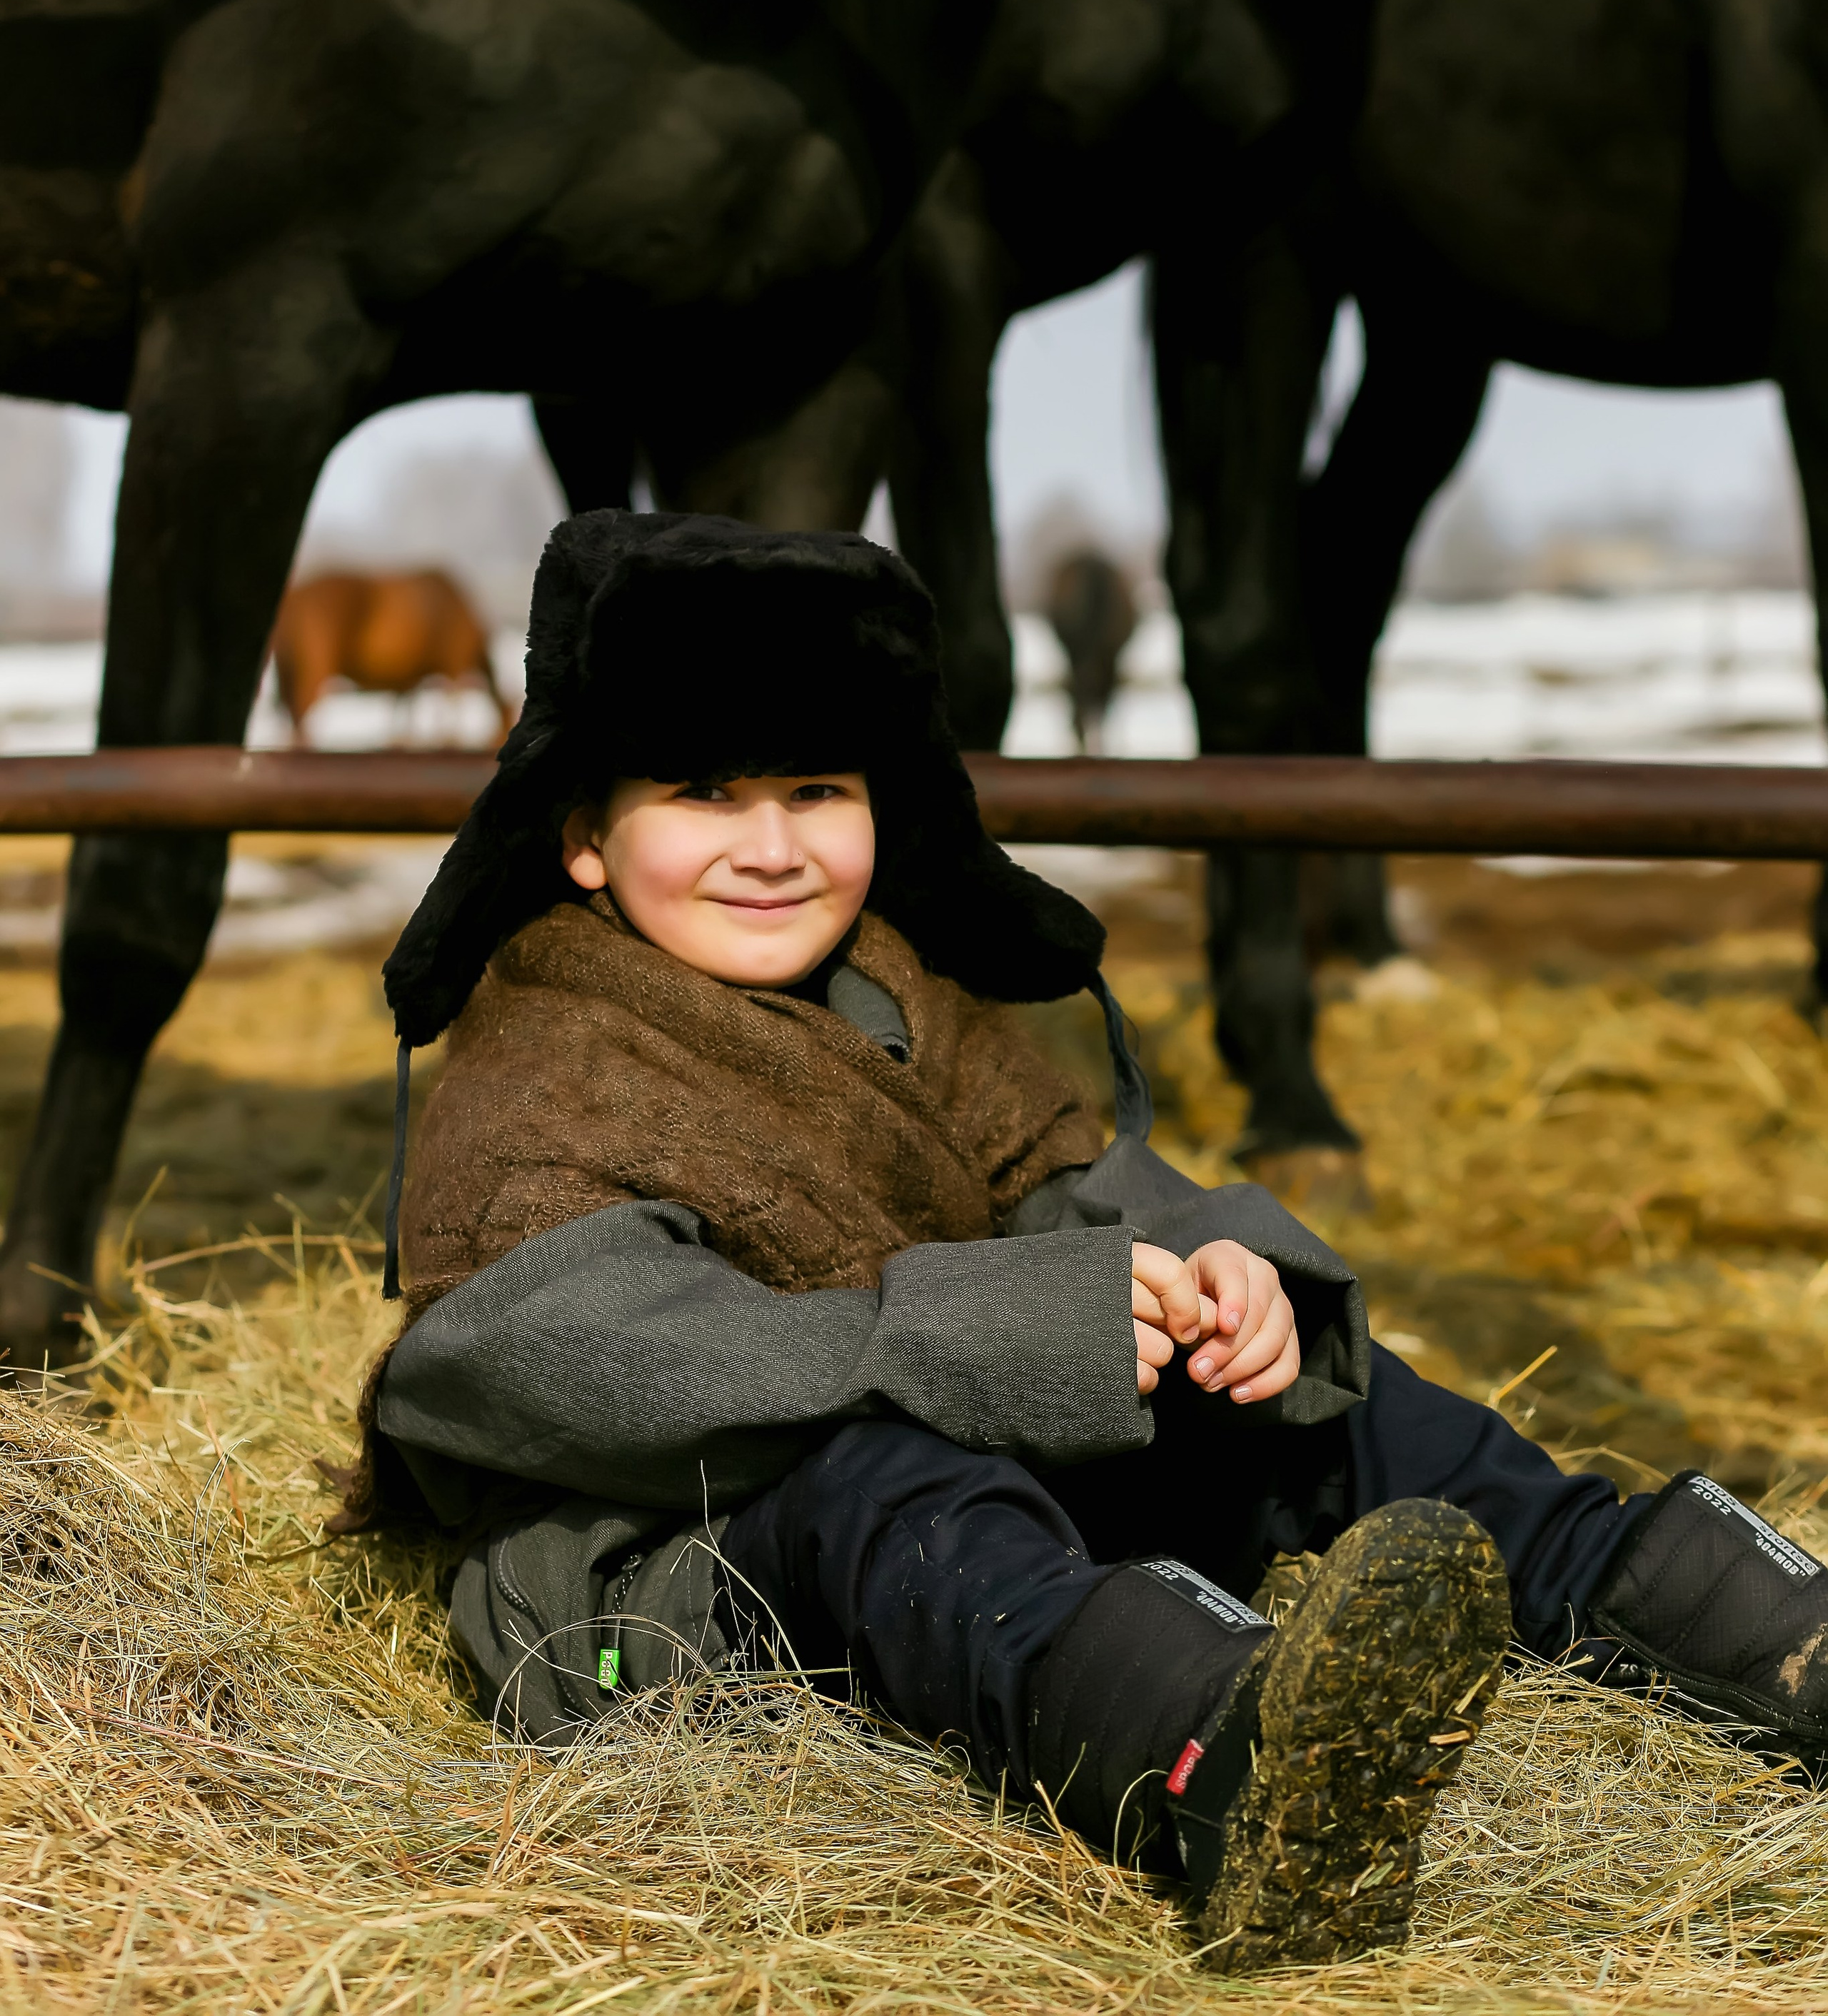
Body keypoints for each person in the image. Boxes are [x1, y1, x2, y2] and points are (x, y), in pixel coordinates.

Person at [347, 510, 1828, 1972]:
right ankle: (1216, 1765)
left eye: (818, 788)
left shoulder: (892, 997)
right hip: (676, 1579)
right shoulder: (541, 1062)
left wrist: (1218, 1279)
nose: (774, 847)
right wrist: (979, 1335)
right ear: (586, 842)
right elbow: (565, 1367)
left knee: (1309, 1403)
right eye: (704, 794)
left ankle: (1733, 1627)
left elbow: (1069, 1181)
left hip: (955, 1468)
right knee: (881, 1480)